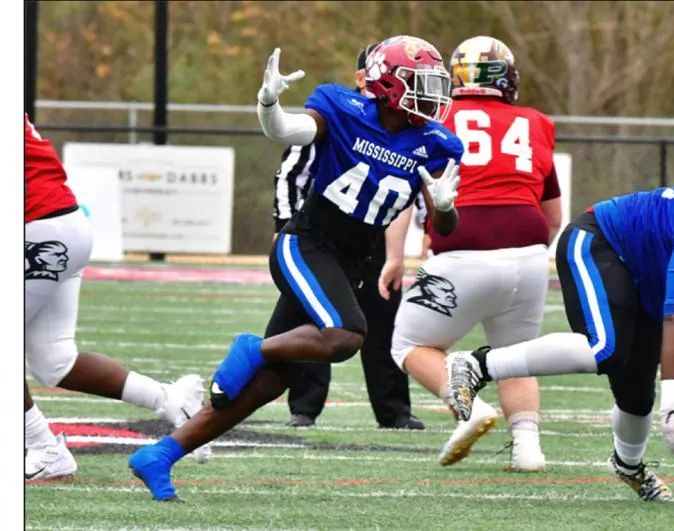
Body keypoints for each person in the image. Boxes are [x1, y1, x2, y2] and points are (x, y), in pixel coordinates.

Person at [127, 35, 464, 501]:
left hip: (351, 262)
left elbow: (444, 225)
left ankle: (160, 455)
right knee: (346, 334)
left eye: (436, 84)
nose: (432, 95)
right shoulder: (343, 107)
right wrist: (268, 104)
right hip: (306, 244)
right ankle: (254, 347)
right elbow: (287, 130)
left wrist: (444, 207)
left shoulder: (436, 142)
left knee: (270, 383)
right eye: (420, 82)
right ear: (387, 82)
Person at [443, 145, 674, 501]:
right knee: (604, 349)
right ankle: (477, 364)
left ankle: (628, 465)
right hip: (603, 242)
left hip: (648, 277)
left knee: (637, 395)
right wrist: (673, 400)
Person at [387, 36, 561, 471]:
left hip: (462, 251)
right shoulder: (536, 122)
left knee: (409, 345)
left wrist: (395, 257)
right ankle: (528, 450)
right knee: (516, 354)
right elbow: (553, 216)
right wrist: (526, 252)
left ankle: (468, 406)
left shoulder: (434, 118)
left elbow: (403, 197)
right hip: (529, 252)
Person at [24, 114, 211, 481]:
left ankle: (43, 448)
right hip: (59, 223)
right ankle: (169, 399)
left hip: (39, 226)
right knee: (55, 359)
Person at [272, 43, 425, 431]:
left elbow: (412, 194)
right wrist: (283, 226)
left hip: (371, 242)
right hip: (320, 239)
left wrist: (400, 253)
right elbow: (291, 173)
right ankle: (304, 405)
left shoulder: (411, 129)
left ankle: (393, 410)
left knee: (382, 323)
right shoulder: (338, 113)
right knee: (315, 319)